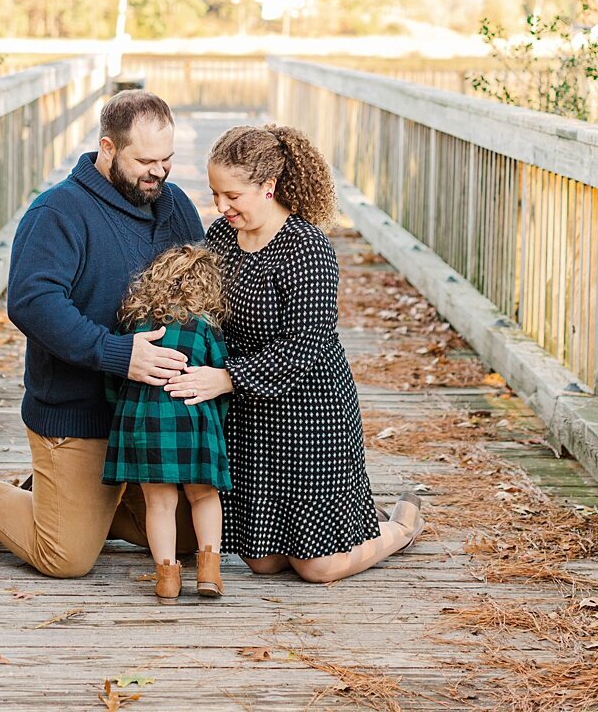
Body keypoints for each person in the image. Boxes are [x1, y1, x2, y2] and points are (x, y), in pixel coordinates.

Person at [0, 90, 204, 576]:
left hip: (150, 417)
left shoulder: (175, 206)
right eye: (145, 160)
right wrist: (118, 354)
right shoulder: (59, 212)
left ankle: (62, 500)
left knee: (188, 539)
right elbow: (32, 302)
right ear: (107, 148)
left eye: (167, 159)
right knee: (66, 557)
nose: (159, 173)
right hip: (79, 413)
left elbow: (200, 285)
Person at [164, 123, 423, 583]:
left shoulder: (308, 248)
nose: (220, 207)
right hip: (253, 413)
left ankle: (399, 528)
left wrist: (226, 378)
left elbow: (308, 345)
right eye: (215, 193)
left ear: (268, 187)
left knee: (317, 568)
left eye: (232, 196)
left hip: (310, 411)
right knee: (261, 561)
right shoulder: (223, 239)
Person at [103, 243, 231, 602]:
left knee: (159, 504)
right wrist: (214, 424)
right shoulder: (205, 325)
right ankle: (209, 573)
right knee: (204, 495)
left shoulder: (133, 324)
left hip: (146, 423)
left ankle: (167, 579)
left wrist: (125, 416)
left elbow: (114, 379)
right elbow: (221, 377)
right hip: (194, 420)